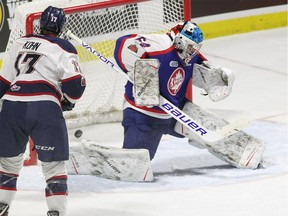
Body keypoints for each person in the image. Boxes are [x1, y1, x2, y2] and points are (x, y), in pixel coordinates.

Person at [0, 6, 86, 216]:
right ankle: (55, 212)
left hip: (12, 106)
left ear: (40, 24)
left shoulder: (19, 42)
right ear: (62, 27)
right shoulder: (64, 47)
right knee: (54, 169)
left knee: (7, 164)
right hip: (44, 109)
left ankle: (2, 206)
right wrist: (66, 99)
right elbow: (75, 87)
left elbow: (3, 82)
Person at [113, 21, 235, 161]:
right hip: (144, 115)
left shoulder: (191, 54)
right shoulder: (159, 45)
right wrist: (142, 74)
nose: (192, 52)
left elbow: (202, 72)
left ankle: (239, 148)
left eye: (195, 49)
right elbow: (123, 43)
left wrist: (217, 80)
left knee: (210, 126)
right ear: (180, 41)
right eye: (190, 48)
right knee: (135, 162)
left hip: (177, 110)